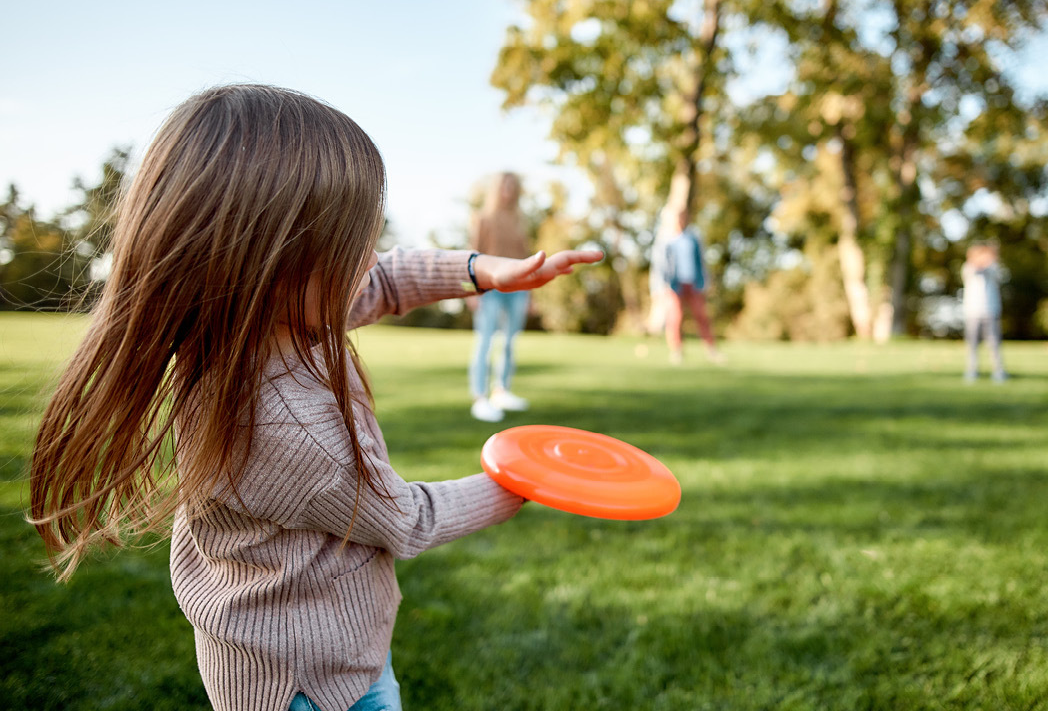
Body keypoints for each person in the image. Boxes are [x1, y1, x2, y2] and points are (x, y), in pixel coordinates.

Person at [27, 84, 602, 711]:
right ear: (276, 261)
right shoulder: (285, 423)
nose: (369, 262)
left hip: (309, 651)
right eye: (352, 249)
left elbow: (383, 279)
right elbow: (406, 520)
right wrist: (523, 480)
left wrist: (479, 270)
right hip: (311, 683)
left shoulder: (252, 318)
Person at [467, 172, 532, 422]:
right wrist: (471, 291)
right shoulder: (483, 218)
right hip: (489, 289)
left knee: (508, 342)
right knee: (484, 341)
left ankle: (501, 391)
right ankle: (479, 398)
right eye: (504, 186)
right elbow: (472, 255)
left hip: (517, 289)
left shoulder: (519, 220)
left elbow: (526, 258)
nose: (508, 190)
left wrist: (531, 294)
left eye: (512, 186)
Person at [655, 206, 723, 365]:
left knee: (702, 316)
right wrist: (661, 286)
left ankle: (711, 350)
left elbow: (701, 262)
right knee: (675, 318)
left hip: (694, 283)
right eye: (678, 217)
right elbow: (661, 265)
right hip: (674, 285)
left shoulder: (693, 238)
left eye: (683, 217)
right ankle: (677, 351)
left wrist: (705, 281)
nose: (681, 220)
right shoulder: (667, 240)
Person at [962, 242, 1007, 382]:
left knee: (994, 343)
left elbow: (999, 274)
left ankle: (998, 371)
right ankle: (972, 370)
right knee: (972, 344)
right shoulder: (968, 268)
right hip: (972, 311)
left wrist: (990, 260)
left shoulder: (994, 268)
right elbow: (974, 270)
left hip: (991, 310)